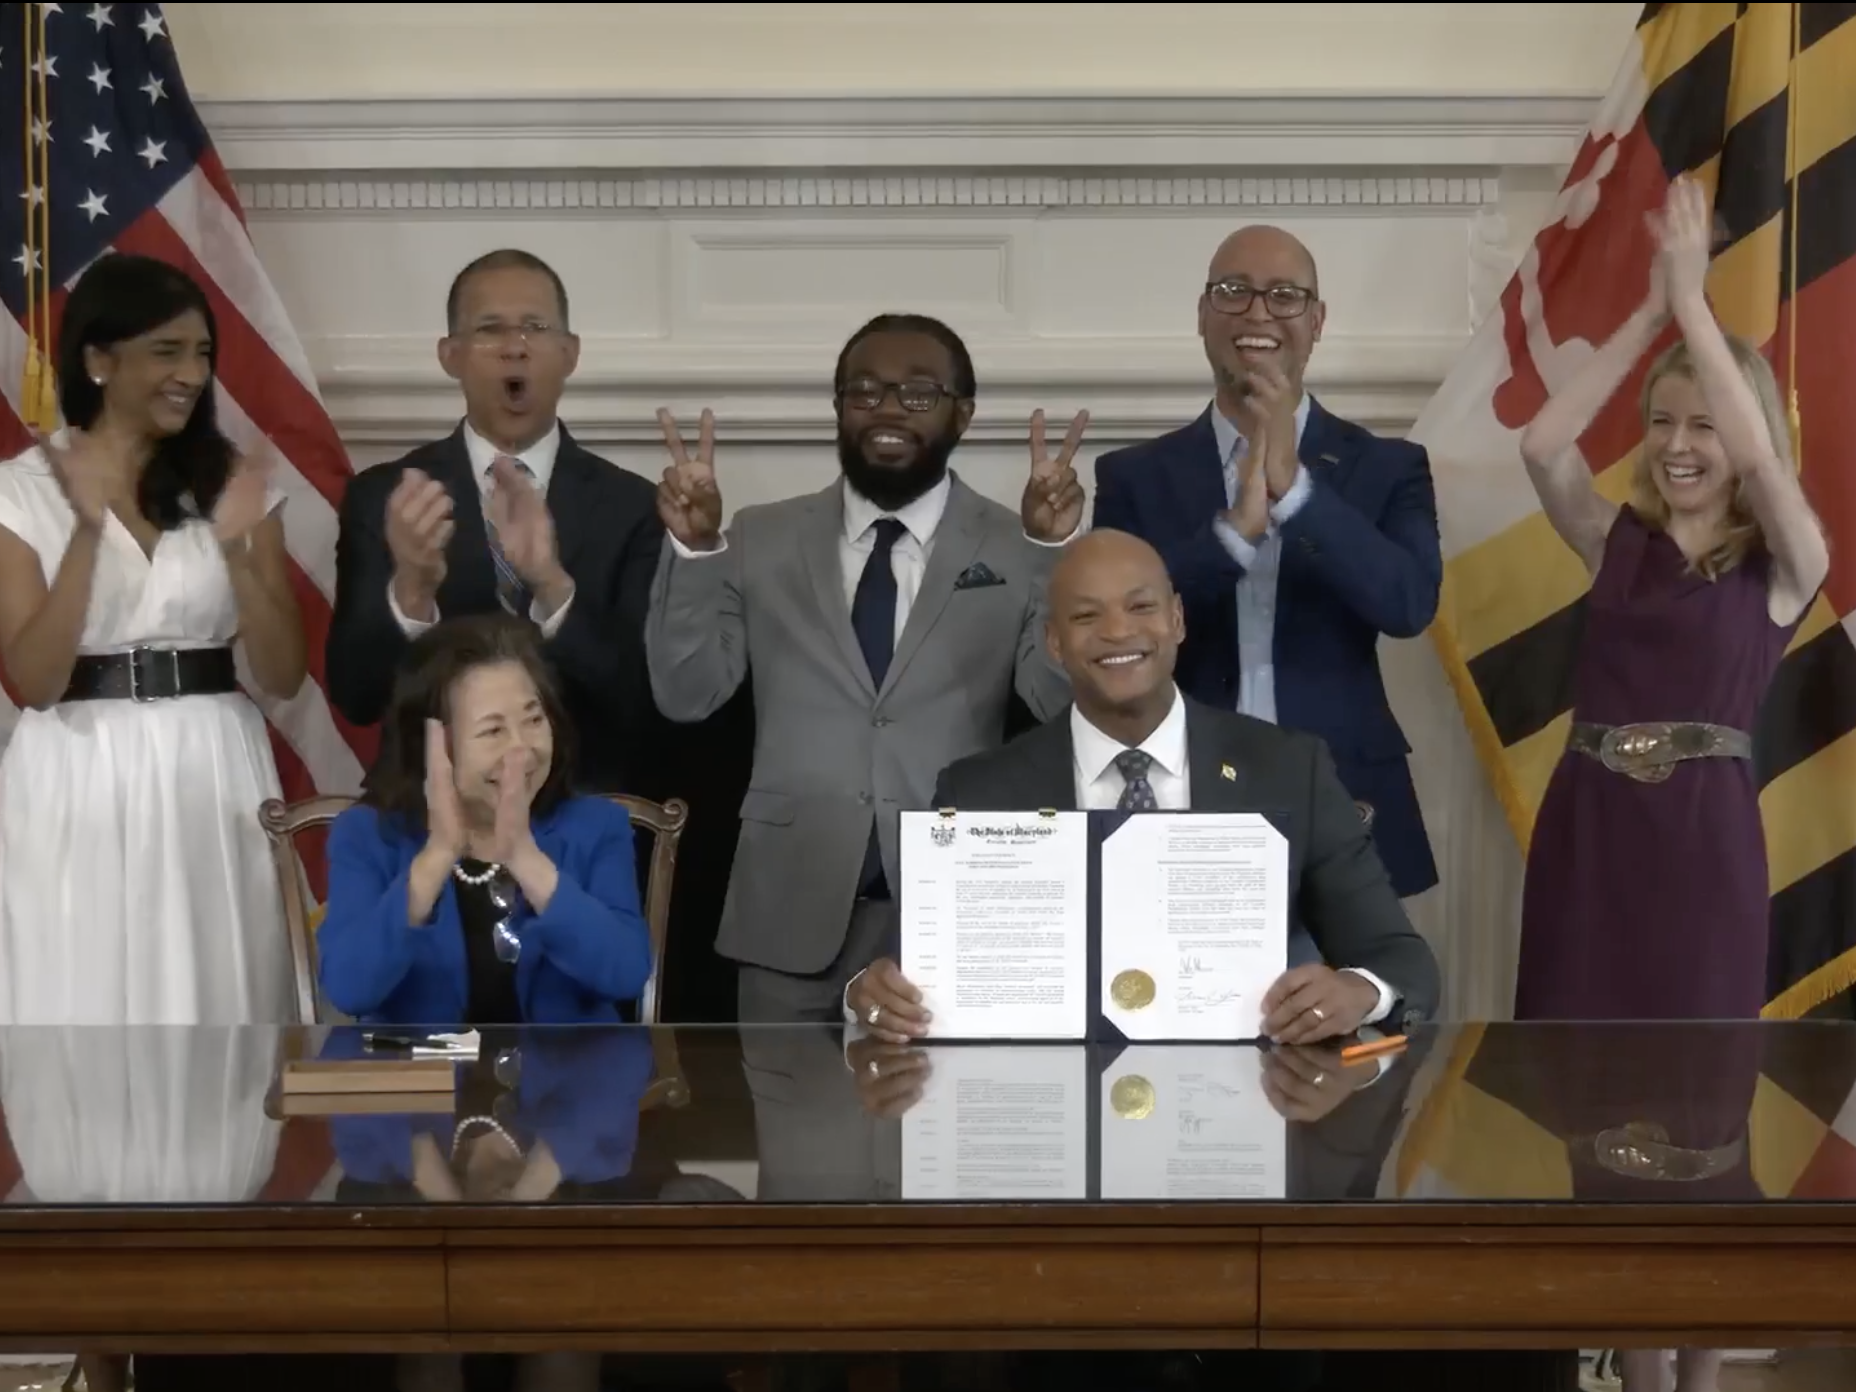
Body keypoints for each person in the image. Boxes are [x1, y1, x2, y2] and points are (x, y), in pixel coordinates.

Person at [1512, 176, 1828, 1392]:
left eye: (1703, 424)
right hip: (1588, 849)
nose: (1680, 445)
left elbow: (1764, 466)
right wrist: (1651, 311)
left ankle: (1698, 1379)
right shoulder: (1614, 545)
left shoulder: (1782, 565)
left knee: (1699, 1120)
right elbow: (1541, 445)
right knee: (1591, 1112)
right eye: (1661, 423)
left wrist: (1699, 310)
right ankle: (1637, 1379)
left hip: (1700, 862)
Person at [646, 313, 1083, 1023]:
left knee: (951, 1101)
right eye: (865, 391)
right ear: (839, 407)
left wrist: (1050, 555)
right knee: (785, 1101)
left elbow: (1053, 701)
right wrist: (695, 553)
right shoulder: (759, 535)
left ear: (962, 414)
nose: (887, 409)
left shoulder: (1016, 543)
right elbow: (686, 694)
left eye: (918, 393)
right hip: (787, 909)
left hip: (957, 908)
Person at [848, 528, 1440, 1044]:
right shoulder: (978, 792)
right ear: (1053, 643)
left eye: (1140, 607)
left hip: (1247, 1108)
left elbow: (1399, 958)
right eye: (1086, 617)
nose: (1117, 631)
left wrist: (1359, 992)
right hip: (1045, 1111)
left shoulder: (1289, 768)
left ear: (1177, 620)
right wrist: (866, 994)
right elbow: (901, 976)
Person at [1091, 224, 1442, 900]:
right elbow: (1117, 630)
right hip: (1178, 790)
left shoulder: (1389, 466)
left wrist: (1298, 491)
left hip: (1343, 793)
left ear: (1317, 321)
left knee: (1352, 972)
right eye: (1234, 292)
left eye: (1284, 295)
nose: (1258, 313)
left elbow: (1408, 605)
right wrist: (1232, 535)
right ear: (1203, 314)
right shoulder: (1133, 476)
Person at [0, 252, 305, 1025]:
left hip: (213, 768)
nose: (192, 375)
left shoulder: (232, 483)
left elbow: (282, 674)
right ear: (99, 360)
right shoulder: (19, 491)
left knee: (219, 992)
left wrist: (237, 551)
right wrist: (86, 533)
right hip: (75, 773)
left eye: (202, 353)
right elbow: (35, 683)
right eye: (167, 351)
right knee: (81, 993)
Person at [326, 249, 667, 797]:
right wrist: (411, 591)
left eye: (536, 327)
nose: (515, 346)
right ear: (450, 355)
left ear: (570, 353)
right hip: (426, 810)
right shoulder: (386, 498)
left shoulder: (635, 507)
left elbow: (644, 704)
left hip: (585, 810)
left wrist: (553, 588)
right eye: (490, 329)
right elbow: (356, 696)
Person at [319, 614, 652, 1026]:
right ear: (433, 747)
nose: (522, 750)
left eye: (534, 720)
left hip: (568, 1067)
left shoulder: (598, 827)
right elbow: (349, 989)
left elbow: (626, 974)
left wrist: (526, 859)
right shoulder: (368, 837)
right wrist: (436, 857)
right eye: (493, 731)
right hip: (426, 1068)